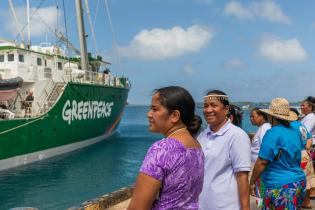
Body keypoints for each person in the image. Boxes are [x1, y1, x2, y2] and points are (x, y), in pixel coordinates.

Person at [127, 86, 204, 210]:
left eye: (154, 109)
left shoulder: (162, 149)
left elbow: (138, 207)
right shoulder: (196, 146)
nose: (149, 114)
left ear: (174, 115)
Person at [197, 90, 251, 210]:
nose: (208, 110)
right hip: (201, 205)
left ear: (226, 109)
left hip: (226, 205)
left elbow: (242, 177)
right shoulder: (203, 135)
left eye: (214, 105)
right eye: (205, 106)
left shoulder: (237, 136)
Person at [250, 98, 306, 210]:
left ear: (271, 116)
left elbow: (262, 161)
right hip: (298, 181)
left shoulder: (273, 133)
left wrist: (252, 182)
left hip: (279, 185)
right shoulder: (294, 132)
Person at [300, 96, 315, 198]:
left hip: (309, 146)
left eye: (303, 105)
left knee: (307, 171)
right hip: (308, 145)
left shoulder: (310, 117)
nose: (301, 107)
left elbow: (305, 133)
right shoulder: (307, 117)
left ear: (310, 107)